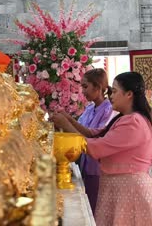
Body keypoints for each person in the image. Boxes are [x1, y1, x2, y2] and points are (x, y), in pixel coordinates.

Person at [52, 71, 152, 226]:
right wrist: (70, 120)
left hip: (130, 191)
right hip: (119, 187)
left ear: (129, 94)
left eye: (115, 91)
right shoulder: (125, 119)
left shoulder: (134, 123)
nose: (111, 95)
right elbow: (93, 134)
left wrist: (66, 126)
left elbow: (97, 147)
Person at [57, 68, 112, 214]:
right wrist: (66, 119)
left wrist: (67, 123)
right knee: (86, 204)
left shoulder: (108, 110)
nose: (83, 91)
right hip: (85, 162)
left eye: (85, 87)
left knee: (95, 208)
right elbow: (81, 129)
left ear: (98, 87)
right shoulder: (90, 108)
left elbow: (95, 136)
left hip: (97, 167)